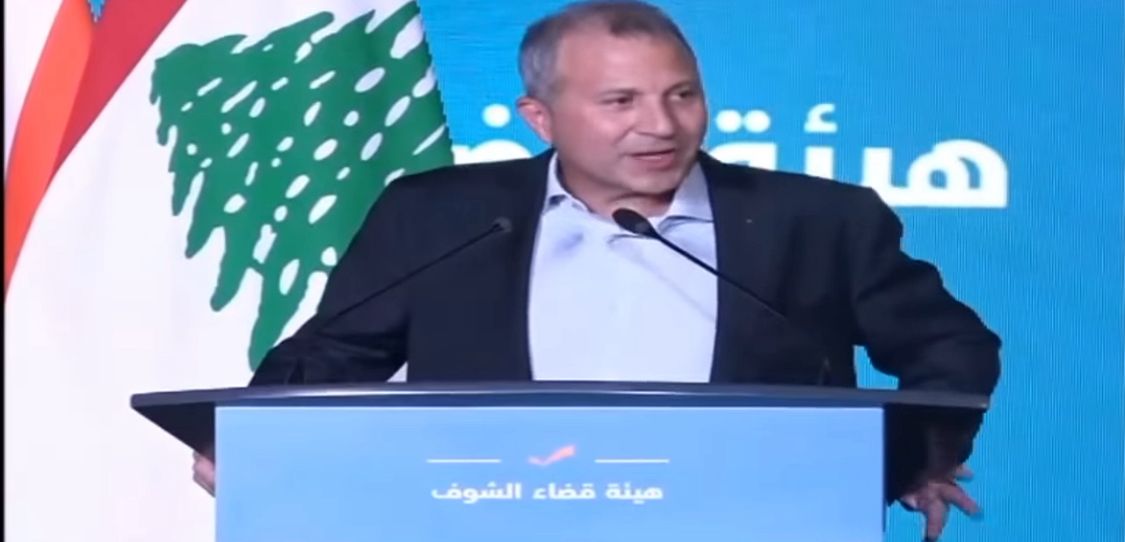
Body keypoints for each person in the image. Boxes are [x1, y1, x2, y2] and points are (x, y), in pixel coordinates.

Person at [193, 1, 1001, 539]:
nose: (661, 125)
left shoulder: (817, 221)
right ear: (539, 118)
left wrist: (909, 454)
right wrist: (254, 440)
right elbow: (333, 354)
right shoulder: (439, 216)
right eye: (620, 102)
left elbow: (950, 347)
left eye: (681, 95)